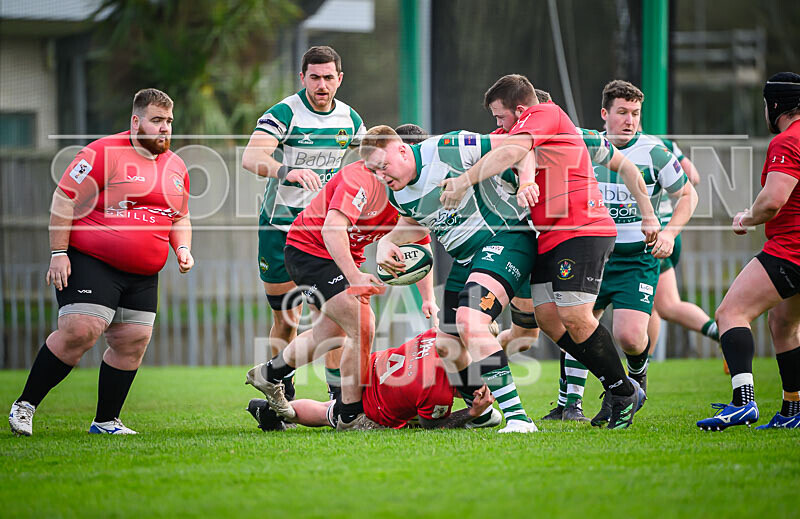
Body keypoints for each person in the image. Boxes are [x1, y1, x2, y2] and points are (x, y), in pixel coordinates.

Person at [439, 74, 648, 429]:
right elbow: (505, 150)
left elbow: (514, 151)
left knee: (576, 316)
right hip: (549, 237)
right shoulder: (518, 132)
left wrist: (462, 182)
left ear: (521, 111)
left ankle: (622, 390)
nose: (498, 124)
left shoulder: (546, 113)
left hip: (581, 229)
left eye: (500, 116)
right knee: (549, 320)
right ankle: (618, 386)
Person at [8, 89, 193, 436]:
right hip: (93, 261)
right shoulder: (102, 153)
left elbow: (180, 216)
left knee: (133, 341)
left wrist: (182, 248)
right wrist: (58, 253)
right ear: (136, 121)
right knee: (81, 330)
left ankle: (106, 421)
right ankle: (25, 405)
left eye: (169, 121)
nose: (164, 128)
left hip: (143, 273)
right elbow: (64, 198)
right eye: (156, 120)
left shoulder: (176, 166)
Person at [245, 127, 437, 431]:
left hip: (338, 257)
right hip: (309, 250)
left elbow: (420, 242)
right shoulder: (360, 177)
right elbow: (331, 230)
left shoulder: (412, 189)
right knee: (363, 323)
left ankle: (269, 374)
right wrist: (355, 276)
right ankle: (349, 414)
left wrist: (428, 298)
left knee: (329, 333)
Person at [363, 125, 539, 433]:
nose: (381, 176)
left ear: (402, 150)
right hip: (466, 259)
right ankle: (482, 411)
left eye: (383, 166)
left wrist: (525, 182)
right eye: (374, 171)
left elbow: (521, 144)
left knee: (472, 323)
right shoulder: (397, 194)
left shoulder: (448, 147)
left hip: (504, 239)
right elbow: (417, 223)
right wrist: (387, 241)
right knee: (446, 346)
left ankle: (519, 418)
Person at [241, 46, 366, 394]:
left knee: (334, 317)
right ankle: (280, 391)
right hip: (279, 228)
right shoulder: (285, 112)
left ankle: (338, 399)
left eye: (328, 77)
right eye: (314, 77)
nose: (321, 85)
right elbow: (251, 157)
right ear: (302, 78)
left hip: (322, 232)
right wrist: (288, 171)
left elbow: (370, 162)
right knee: (286, 318)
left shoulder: (350, 119)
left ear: (339, 79)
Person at [589, 80, 698, 425]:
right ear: (605, 113)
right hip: (593, 254)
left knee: (630, 337)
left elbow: (688, 195)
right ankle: (603, 396)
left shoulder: (655, 152)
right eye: (622, 112)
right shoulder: (588, 148)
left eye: (635, 113)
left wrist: (670, 232)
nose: (629, 120)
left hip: (637, 257)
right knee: (577, 328)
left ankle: (636, 381)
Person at [697, 71, 800, 431]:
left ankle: (743, 403)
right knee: (784, 323)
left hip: (791, 250)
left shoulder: (788, 140)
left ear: (775, 105)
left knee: (731, 312)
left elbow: (772, 201)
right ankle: (792, 409)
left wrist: (746, 217)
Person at [269, 329, 497, 430]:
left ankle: (276, 408)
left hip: (368, 366)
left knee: (331, 407)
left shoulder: (437, 334)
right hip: (372, 403)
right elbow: (432, 425)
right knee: (328, 413)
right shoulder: (437, 392)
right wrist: (472, 413)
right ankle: (271, 412)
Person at [645, 135, 722, 369]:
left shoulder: (637, 147)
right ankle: (641, 368)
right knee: (651, 303)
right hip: (670, 230)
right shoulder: (664, 144)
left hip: (654, 234)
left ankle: (724, 334)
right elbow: (693, 177)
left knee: (666, 305)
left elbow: (690, 184)